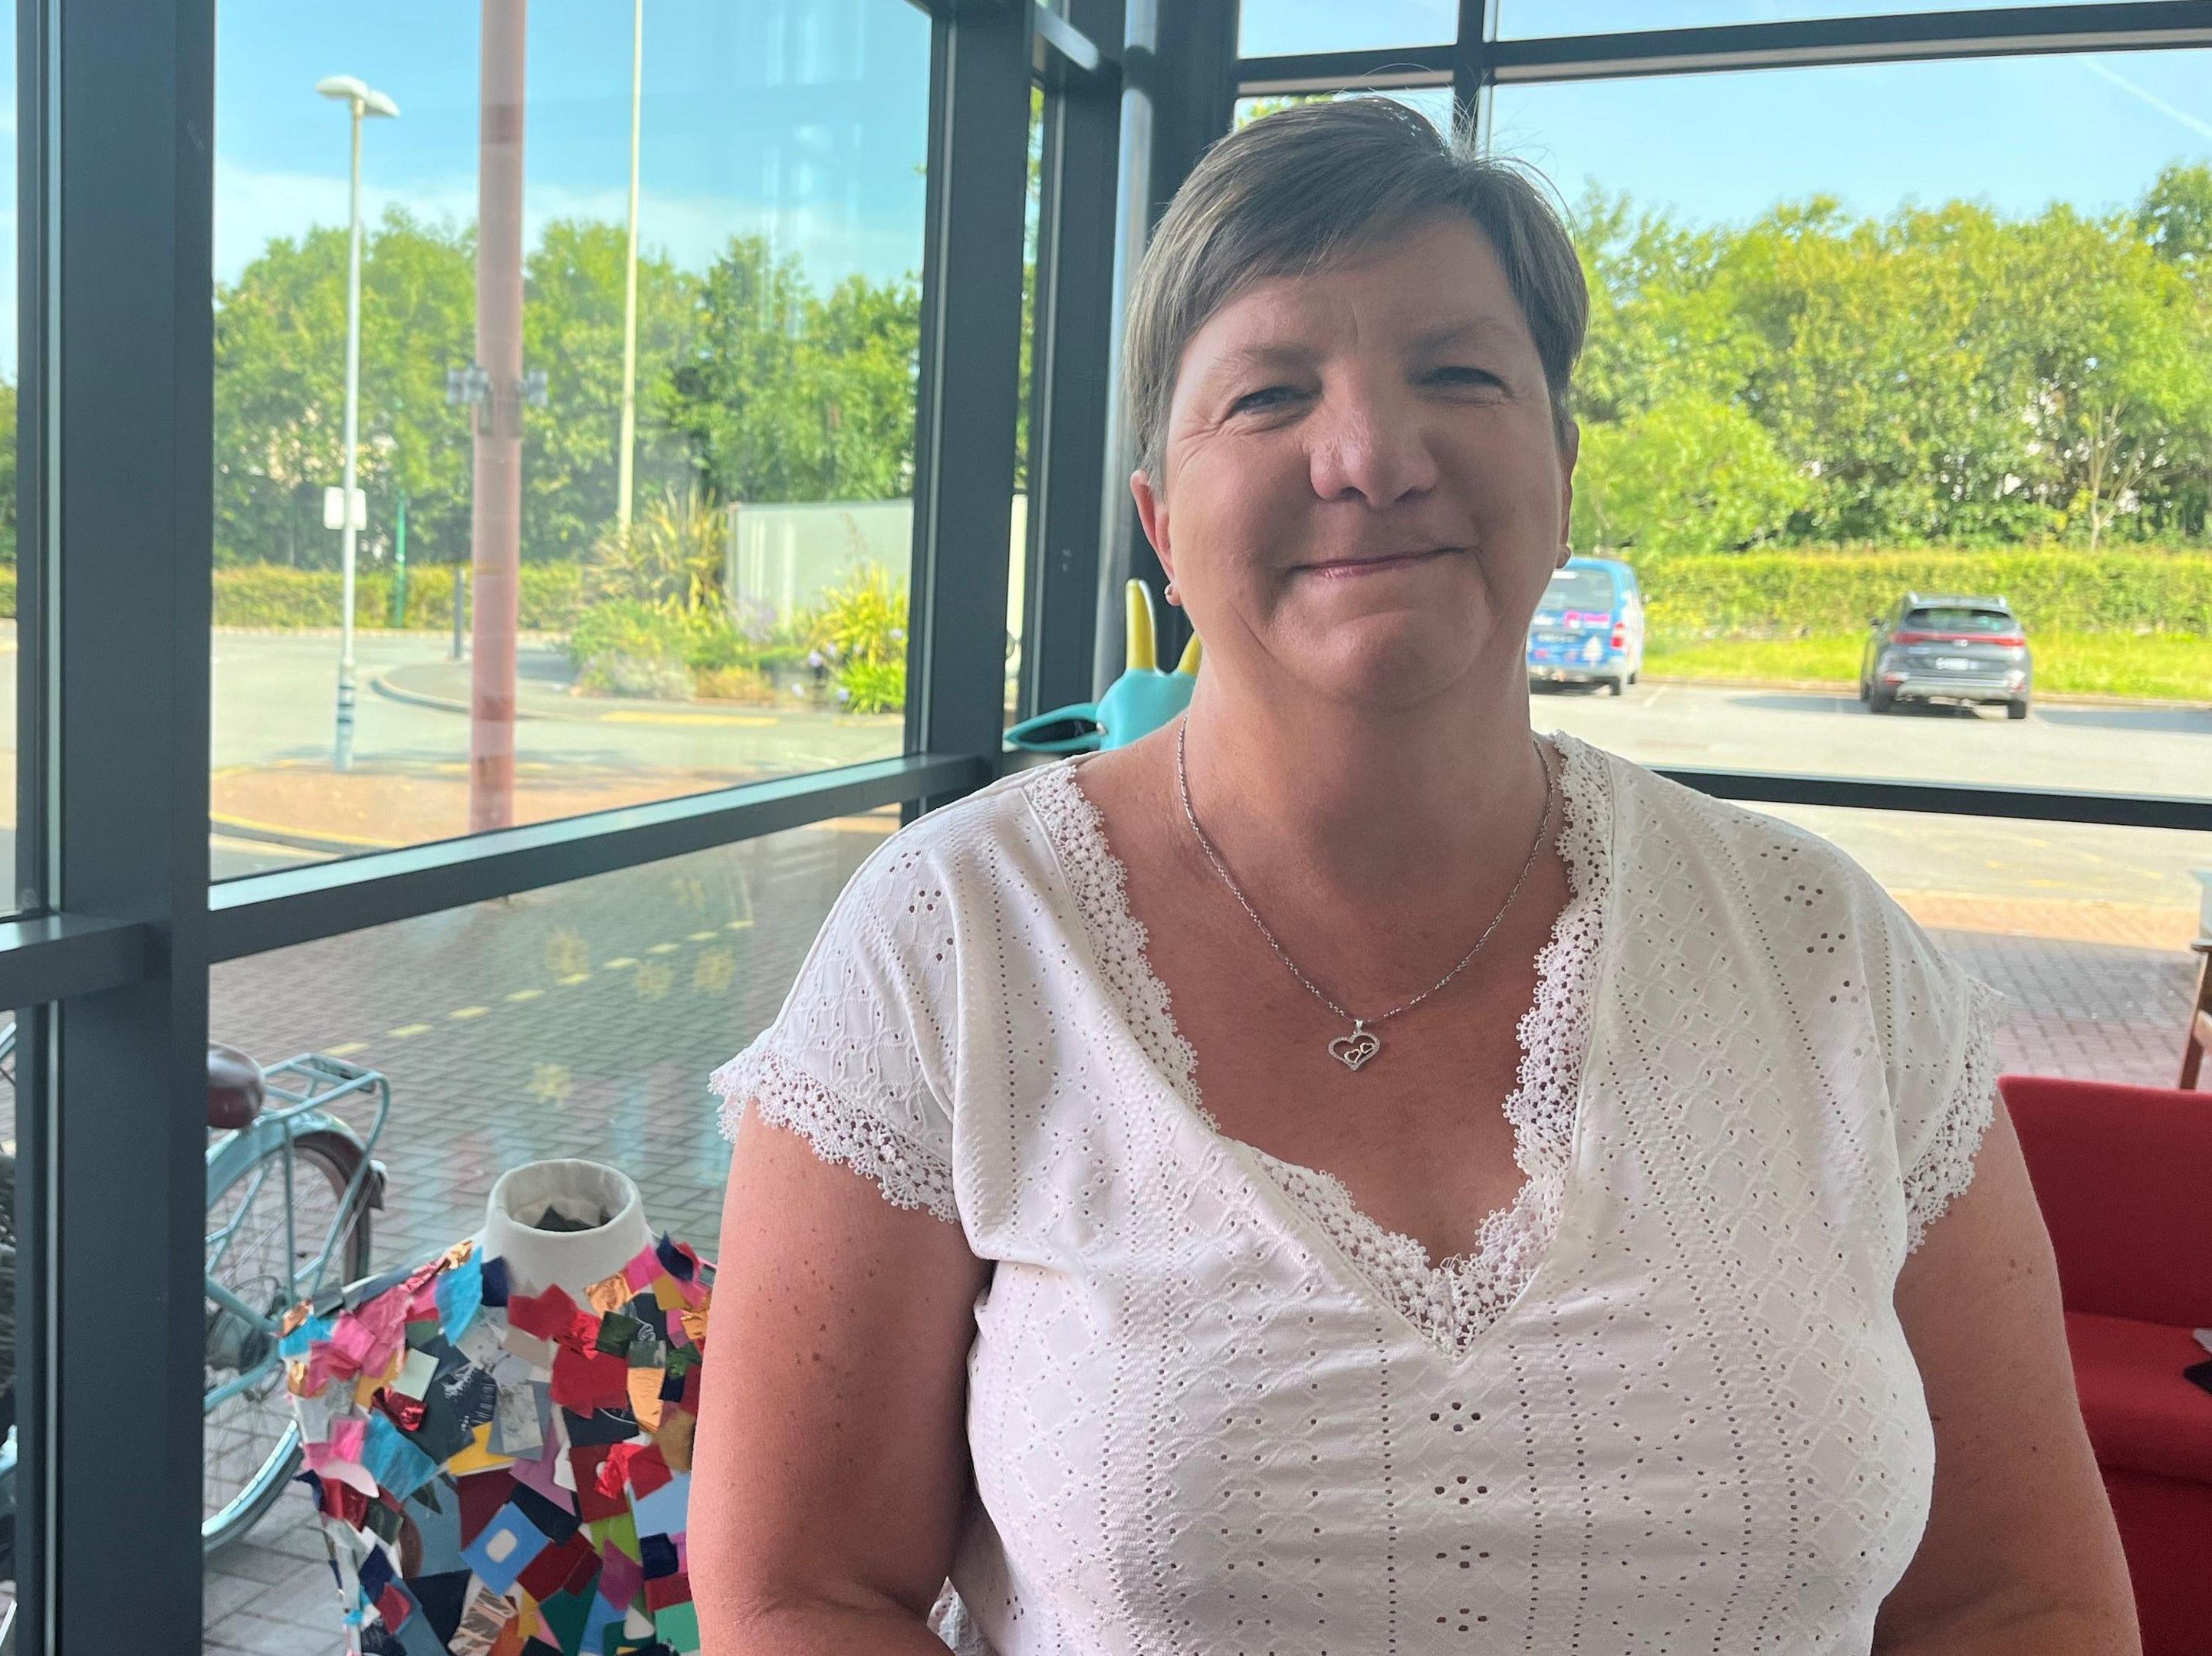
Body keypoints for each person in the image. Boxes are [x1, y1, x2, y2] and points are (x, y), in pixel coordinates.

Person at [687, 98, 2135, 1655]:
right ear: (1162, 525)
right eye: (1269, 394)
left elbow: (2020, 1596)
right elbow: (800, 1591)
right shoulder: (955, 941)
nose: (1373, 454)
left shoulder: (1832, 956)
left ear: (1563, 473)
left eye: (1458, 373)